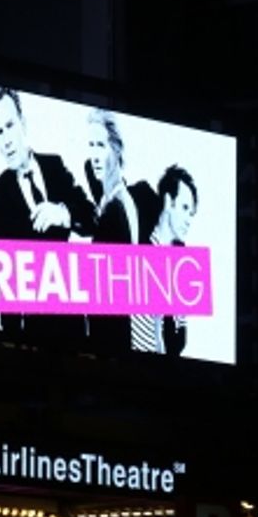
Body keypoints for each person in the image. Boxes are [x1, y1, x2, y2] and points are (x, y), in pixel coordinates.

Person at [0, 86, 96, 342]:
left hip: (74, 324)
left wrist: (64, 213)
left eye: (10, 126)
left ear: (23, 123)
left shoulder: (54, 165)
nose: (6, 140)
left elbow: (91, 218)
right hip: (33, 334)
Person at [84, 108, 159, 353]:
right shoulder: (115, 200)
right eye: (91, 145)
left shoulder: (116, 209)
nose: (94, 155)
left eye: (101, 146)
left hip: (110, 346)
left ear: (116, 150)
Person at [138, 164, 199, 356]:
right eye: (184, 208)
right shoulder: (139, 249)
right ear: (167, 202)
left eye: (191, 213)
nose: (189, 219)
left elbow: (180, 336)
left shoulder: (182, 265)